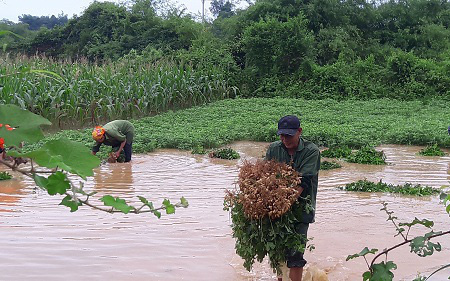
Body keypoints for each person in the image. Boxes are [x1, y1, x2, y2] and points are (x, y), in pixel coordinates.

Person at [265, 115, 320, 281]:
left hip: (301, 210)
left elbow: (304, 182)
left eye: (288, 135)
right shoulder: (274, 149)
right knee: (279, 252)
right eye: (282, 135)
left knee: (295, 255)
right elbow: (266, 175)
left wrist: (285, 204)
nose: (285, 139)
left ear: (299, 132)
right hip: (277, 209)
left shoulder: (311, 151)